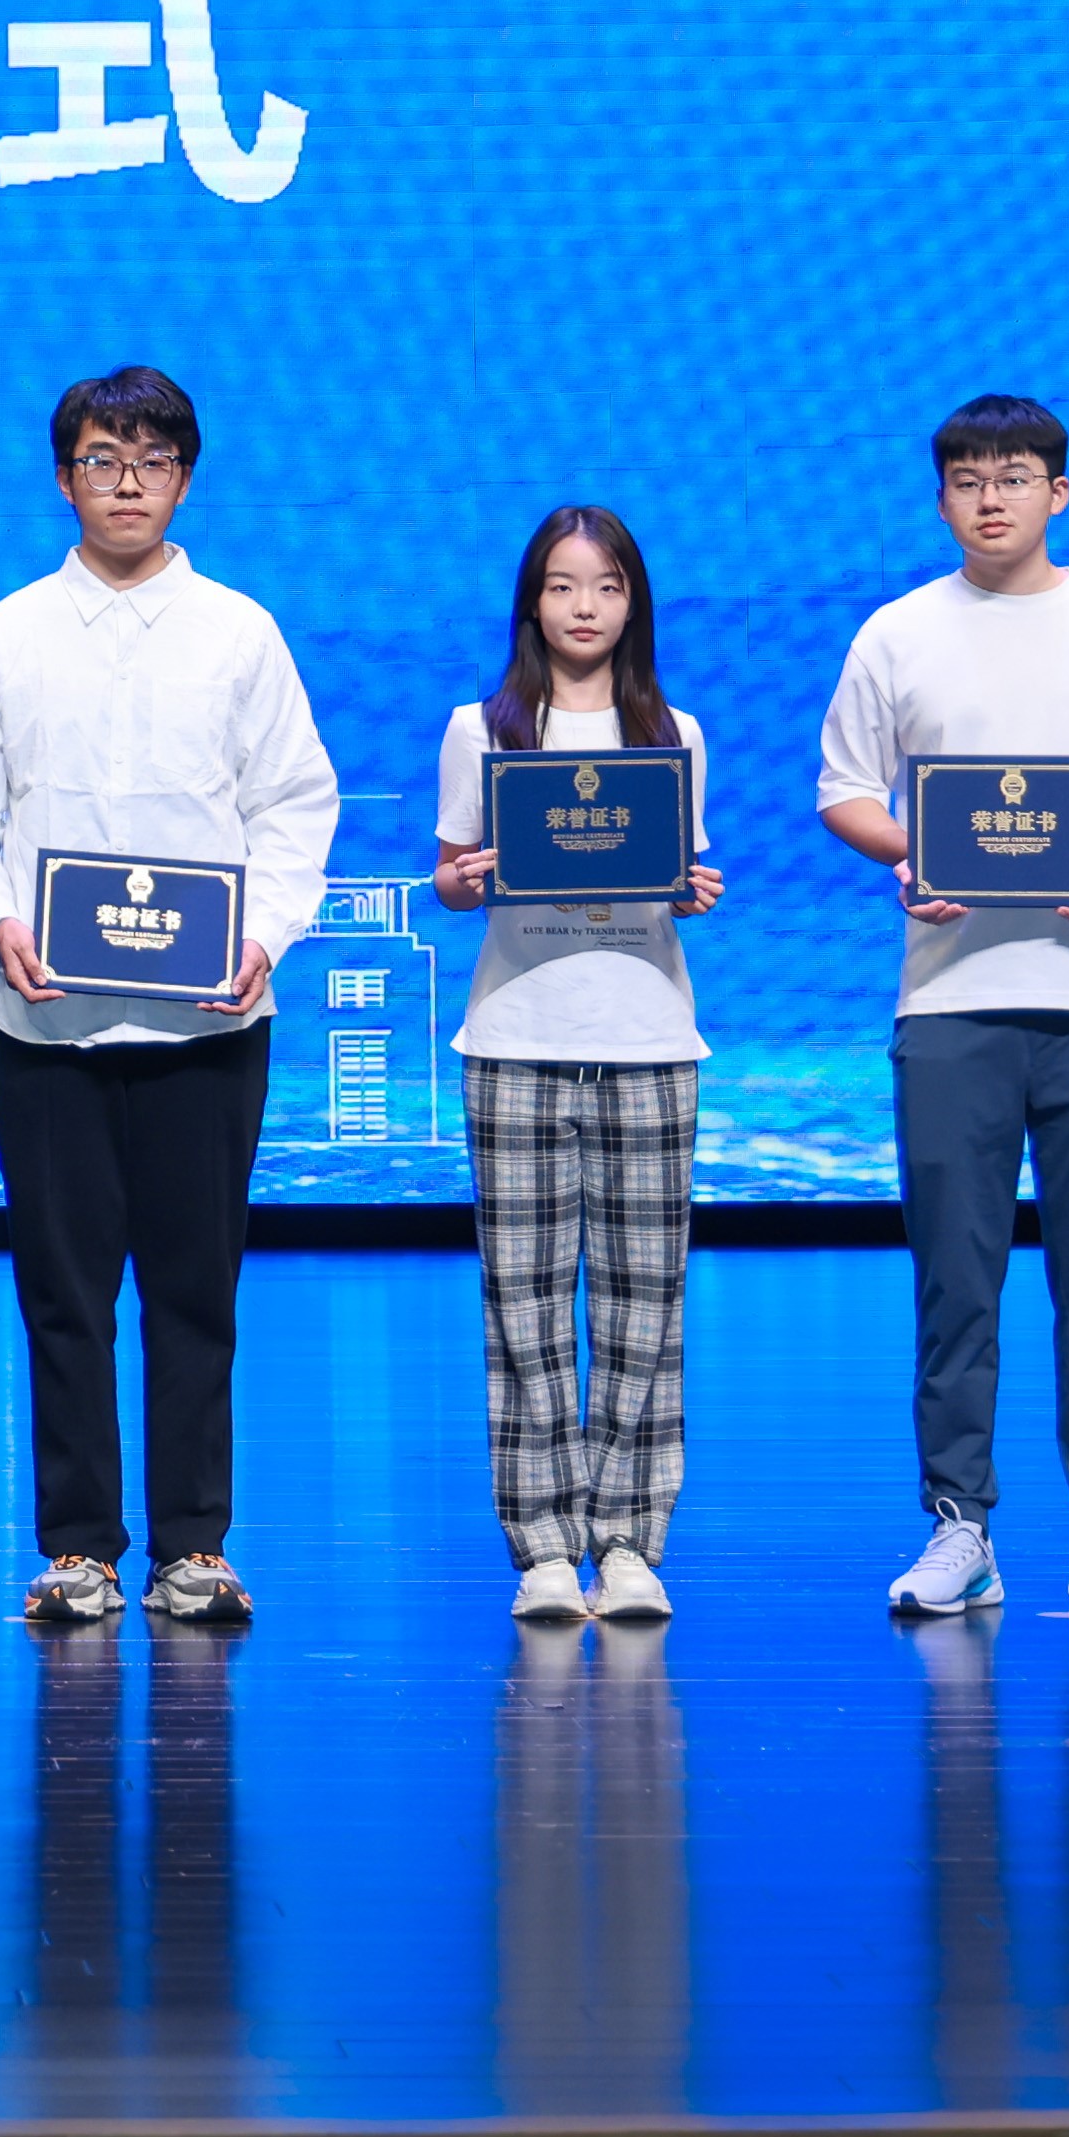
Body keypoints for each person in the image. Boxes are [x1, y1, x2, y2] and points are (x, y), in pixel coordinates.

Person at [0, 365, 339, 1632]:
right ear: (65, 479)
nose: (127, 484)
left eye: (152, 462)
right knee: (64, 1295)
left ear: (185, 480)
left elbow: (294, 804)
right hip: (46, 1023)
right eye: (103, 460)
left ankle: (193, 1547)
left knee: (195, 1294)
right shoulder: (5, 634)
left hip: (206, 1025)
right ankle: (80, 1551)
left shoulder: (240, 633)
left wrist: (263, 936)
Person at [812, 395, 1069, 1620]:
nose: (992, 498)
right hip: (952, 1001)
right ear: (942, 498)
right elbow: (844, 790)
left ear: (1060, 492)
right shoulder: (897, 631)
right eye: (969, 479)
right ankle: (960, 1526)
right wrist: (909, 855)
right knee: (957, 1276)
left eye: (1016, 476)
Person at [429, 503, 727, 1629]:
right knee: (526, 1305)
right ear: (532, 603)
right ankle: (545, 1550)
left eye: (605, 586)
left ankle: (631, 1543)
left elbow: (679, 874)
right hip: (516, 1038)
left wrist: (694, 890)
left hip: (646, 1039)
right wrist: (468, 878)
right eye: (562, 585)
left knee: (647, 1306)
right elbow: (449, 878)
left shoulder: (673, 732)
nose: (584, 606)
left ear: (633, 602)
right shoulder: (483, 728)